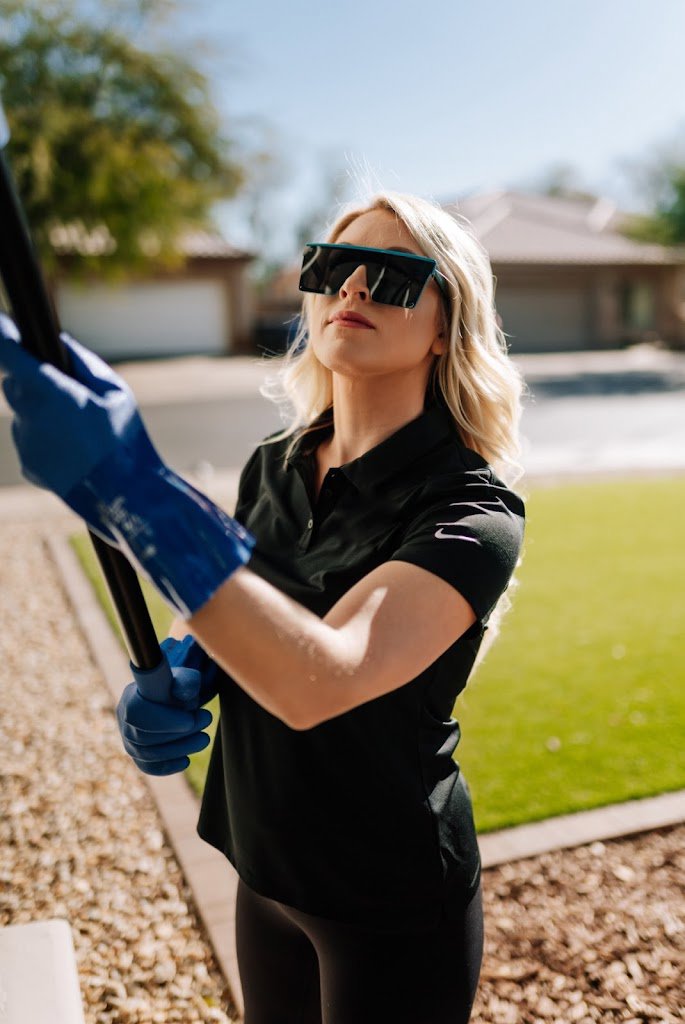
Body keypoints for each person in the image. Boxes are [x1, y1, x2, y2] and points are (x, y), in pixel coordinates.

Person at [0, 190, 526, 1024]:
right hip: (260, 862)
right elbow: (232, 601)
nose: (352, 287)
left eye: (390, 276)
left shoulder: (471, 514)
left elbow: (325, 676)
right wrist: (185, 664)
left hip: (386, 891)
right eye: (330, 267)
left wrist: (135, 489)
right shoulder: (275, 464)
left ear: (445, 327)